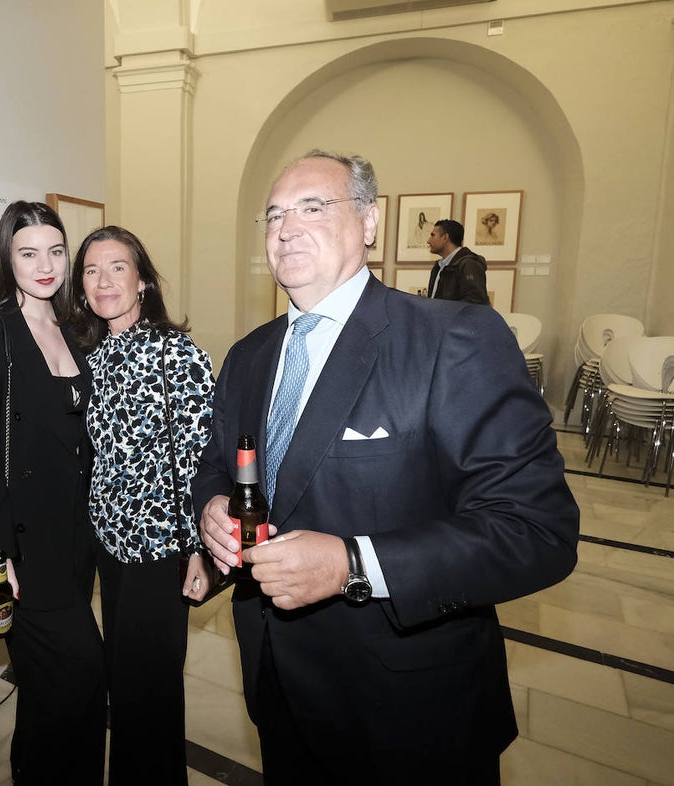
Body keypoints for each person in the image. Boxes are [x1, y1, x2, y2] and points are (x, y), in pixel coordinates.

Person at [194, 150, 579, 784]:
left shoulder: (453, 339)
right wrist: (209, 506)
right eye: (273, 215)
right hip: (278, 687)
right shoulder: (247, 355)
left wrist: (352, 564)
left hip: (407, 710)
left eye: (313, 207)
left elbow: (536, 530)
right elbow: (217, 465)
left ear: (369, 222)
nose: (286, 228)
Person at [0, 201, 105, 785]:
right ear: (6, 257)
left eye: (56, 251)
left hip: (74, 543)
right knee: (81, 678)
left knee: (49, 698)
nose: (45, 265)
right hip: (23, 548)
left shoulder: (75, 328)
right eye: (28, 253)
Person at [72, 225, 213, 785]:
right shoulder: (91, 355)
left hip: (161, 552)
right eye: (91, 270)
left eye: (118, 268)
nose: (104, 281)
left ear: (144, 281)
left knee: (150, 689)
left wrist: (200, 550)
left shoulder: (176, 355)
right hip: (110, 547)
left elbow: (204, 463)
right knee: (123, 681)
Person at [426, 218, 489, 304]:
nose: (428, 241)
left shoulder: (469, 265)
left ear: (445, 237)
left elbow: (475, 303)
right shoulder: (438, 267)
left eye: (433, 235)